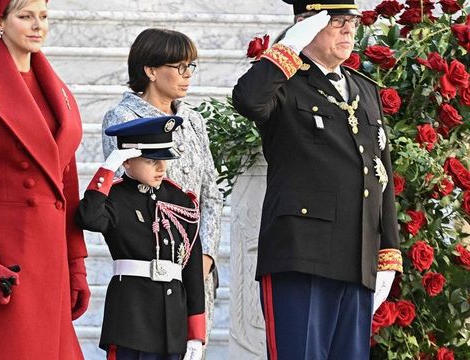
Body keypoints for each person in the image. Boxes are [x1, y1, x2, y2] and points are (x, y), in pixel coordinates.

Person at [232, 0, 403, 358]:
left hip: (357, 256)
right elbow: (248, 100)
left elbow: (380, 170)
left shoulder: (363, 87)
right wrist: (289, 46)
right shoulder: (284, 80)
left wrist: (388, 251)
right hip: (301, 252)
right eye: (336, 21)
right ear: (305, 25)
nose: (348, 30)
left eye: (352, 22)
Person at [0, 0, 89, 358]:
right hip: (6, 256)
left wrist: (76, 264)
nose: (38, 26)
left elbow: (65, 185)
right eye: (25, 17)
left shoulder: (58, 91)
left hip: (50, 254)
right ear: (0, 23)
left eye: (43, 17)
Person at [102, 28, 223, 347]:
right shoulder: (122, 117)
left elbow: (210, 193)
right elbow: (122, 194)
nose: (187, 75)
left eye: (191, 66)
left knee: (192, 349)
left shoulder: (193, 120)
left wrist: (205, 255)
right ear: (151, 70)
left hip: (195, 265)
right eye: (179, 66)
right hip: (149, 266)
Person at [77, 116, 206, 360]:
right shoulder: (114, 197)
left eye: (163, 160)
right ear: (127, 163)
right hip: (131, 321)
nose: (161, 168)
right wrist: (107, 169)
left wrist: (195, 333)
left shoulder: (181, 201)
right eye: (150, 160)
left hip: (173, 324)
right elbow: (88, 218)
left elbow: (192, 268)